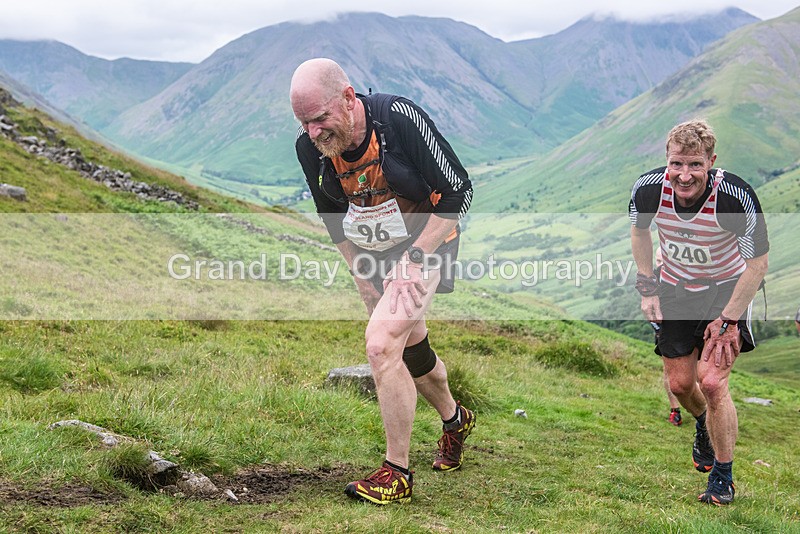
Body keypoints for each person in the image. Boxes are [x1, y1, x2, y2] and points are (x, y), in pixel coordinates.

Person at [290, 58, 475, 505]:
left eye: (320, 118)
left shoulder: (396, 118)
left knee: (379, 345)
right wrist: (360, 274)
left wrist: (414, 258)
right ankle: (456, 419)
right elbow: (331, 216)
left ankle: (397, 473)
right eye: (303, 122)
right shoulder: (310, 146)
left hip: (427, 243)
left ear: (349, 98)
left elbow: (459, 192)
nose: (313, 132)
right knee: (410, 353)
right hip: (374, 255)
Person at [629, 119, 769, 505]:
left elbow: (758, 264)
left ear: (711, 162)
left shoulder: (733, 197)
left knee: (711, 382)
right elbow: (640, 233)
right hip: (675, 286)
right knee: (679, 385)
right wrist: (647, 286)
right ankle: (705, 428)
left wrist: (729, 320)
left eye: (694, 164)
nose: (684, 175)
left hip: (727, 289)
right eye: (677, 164)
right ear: (666, 162)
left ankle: (722, 477)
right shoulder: (648, 190)